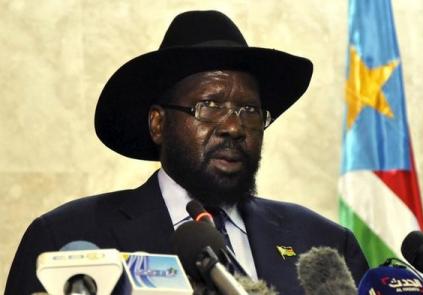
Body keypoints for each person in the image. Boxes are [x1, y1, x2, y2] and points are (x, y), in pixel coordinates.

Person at [6, 10, 369, 294]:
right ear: (158, 124)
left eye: (250, 110)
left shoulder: (323, 244)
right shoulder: (66, 238)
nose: (233, 127)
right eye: (209, 105)